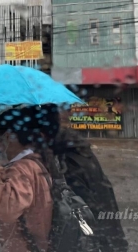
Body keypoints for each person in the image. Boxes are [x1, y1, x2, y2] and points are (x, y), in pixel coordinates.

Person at [34, 104, 129, 252]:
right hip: (105, 219)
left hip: (90, 225)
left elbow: (72, 203)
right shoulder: (73, 145)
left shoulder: (61, 155)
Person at [0, 107, 52, 252]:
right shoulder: (36, 160)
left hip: (25, 247)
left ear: (9, 137)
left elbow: (6, 207)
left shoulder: (22, 169)